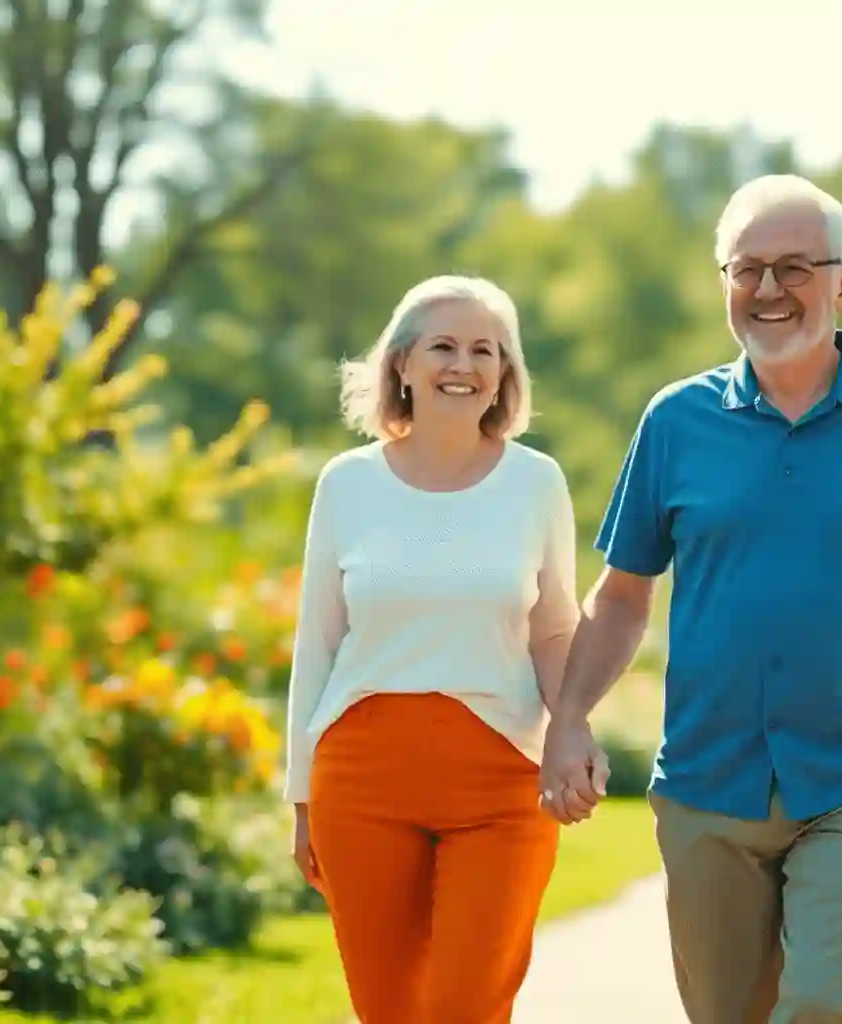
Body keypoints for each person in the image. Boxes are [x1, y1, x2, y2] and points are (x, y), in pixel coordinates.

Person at [539, 174, 842, 1023]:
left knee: (817, 1008)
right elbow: (622, 597)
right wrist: (572, 716)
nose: (768, 289)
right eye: (747, 269)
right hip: (706, 782)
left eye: (795, 267)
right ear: (724, 281)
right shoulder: (675, 421)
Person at [284, 274, 585, 1024]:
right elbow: (316, 644)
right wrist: (301, 798)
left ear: (505, 375)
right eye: (444, 346)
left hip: (501, 784)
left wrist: (574, 731)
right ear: (402, 366)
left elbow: (553, 627)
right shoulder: (346, 484)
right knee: (389, 1010)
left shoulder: (536, 482)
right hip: (361, 784)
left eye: (485, 349)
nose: (465, 364)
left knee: (466, 1006)